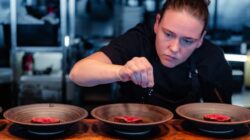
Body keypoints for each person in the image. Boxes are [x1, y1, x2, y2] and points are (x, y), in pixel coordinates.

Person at [69, 0, 233, 112]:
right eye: (168, 34)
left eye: (188, 41)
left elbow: (223, 116)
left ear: (200, 39)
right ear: (157, 23)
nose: (174, 48)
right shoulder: (138, 40)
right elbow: (78, 73)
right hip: (129, 129)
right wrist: (121, 72)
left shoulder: (211, 58)